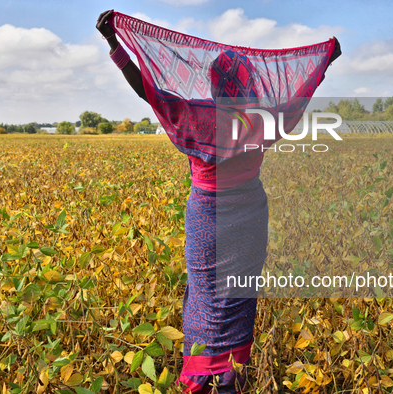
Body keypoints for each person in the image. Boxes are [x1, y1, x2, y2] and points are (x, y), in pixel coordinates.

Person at [96, 10, 340, 393]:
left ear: (213, 84)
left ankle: (202, 380)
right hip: (250, 216)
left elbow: (149, 91)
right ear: (251, 83)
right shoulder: (262, 118)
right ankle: (231, 379)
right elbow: (298, 100)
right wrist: (323, 64)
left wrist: (115, 44)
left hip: (209, 215)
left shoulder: (196, 115)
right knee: (236, 297)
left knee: (207, 297)